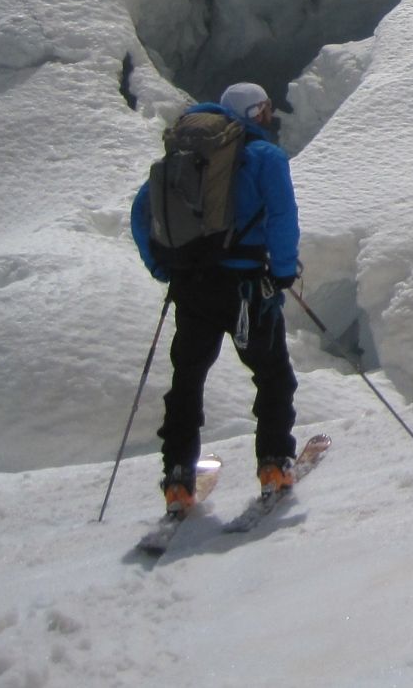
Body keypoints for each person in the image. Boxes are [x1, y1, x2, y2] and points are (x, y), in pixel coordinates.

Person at [131, 82, 302, 509]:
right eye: (264, 108)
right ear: (255, 112)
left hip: (191, 288)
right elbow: (282, 217)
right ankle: (274, 465)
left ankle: (177, 479)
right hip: (247, 291)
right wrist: (281, 274)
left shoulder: (184, 156)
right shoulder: (264, 157)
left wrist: (163, 268)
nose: (269, 115)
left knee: (187, 381)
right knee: (272, 376)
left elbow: (141, 211)